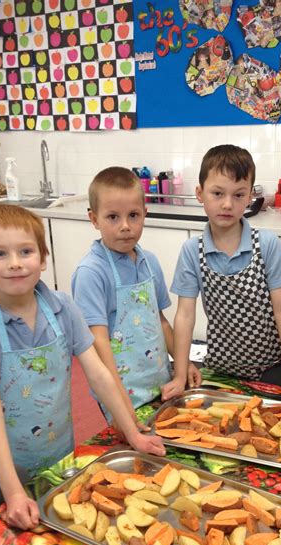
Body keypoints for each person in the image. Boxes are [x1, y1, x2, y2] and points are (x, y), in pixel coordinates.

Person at [0, 205, 165, 530]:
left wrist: (133, 433)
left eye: (26, 251)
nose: (15, 263)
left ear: (43, 257)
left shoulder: (63, 308)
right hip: (1, 473)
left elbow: (99, 374)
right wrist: (12, 493)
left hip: (60, 456)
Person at [163, 144, 281, 400]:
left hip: (272, 368)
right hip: (221, 371)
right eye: (217, 193)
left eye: (238, 195)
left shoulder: (267, 244)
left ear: (250, 196)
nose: (227, 204)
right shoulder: (191, 251)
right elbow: (184, 316)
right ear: (200, 193)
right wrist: (179, 374)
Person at [72, 167, 201, 430]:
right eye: (112, 217)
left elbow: (161, 321)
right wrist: (118, 399)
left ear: (145, 214)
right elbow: (98, 342)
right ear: (94, 219)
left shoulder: (149, 262)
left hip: (160, 381)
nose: (125, 226)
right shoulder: (91, 272)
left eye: (133, 215)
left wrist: (183, 361)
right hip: (120, 389)